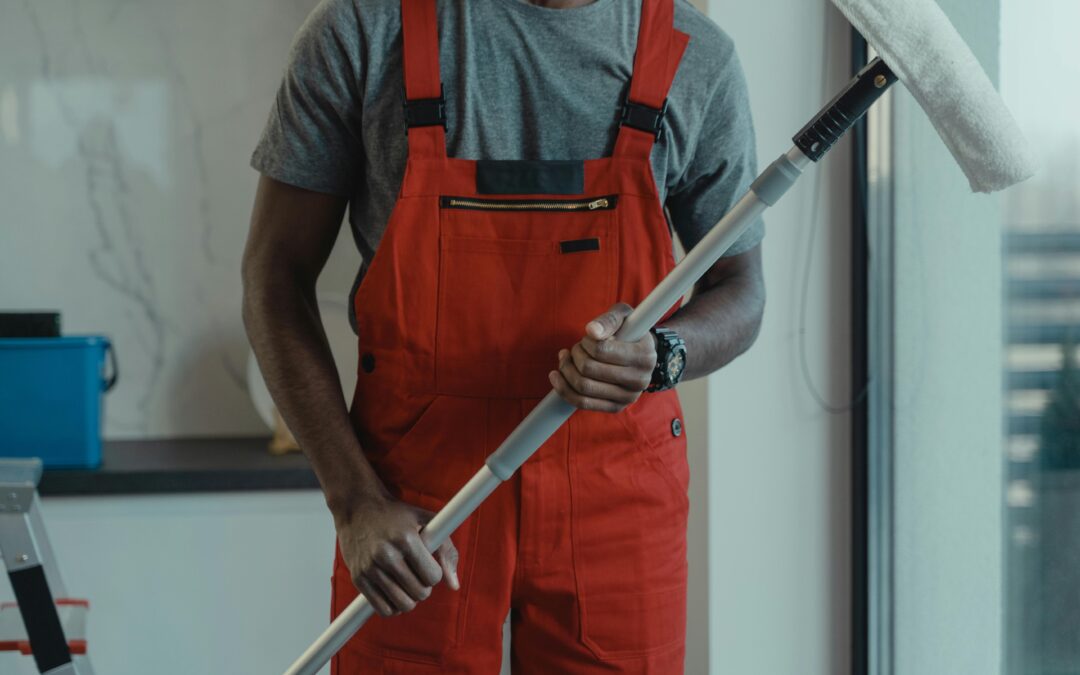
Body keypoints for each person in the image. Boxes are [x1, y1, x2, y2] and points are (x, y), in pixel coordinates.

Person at [242, 0, 765, 672]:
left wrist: (663, 355)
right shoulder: (364, 31)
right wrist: (355, 502)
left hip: (619, 488)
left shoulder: (695, 56)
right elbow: (273, 277)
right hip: (413, 499)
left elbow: (741, 290)